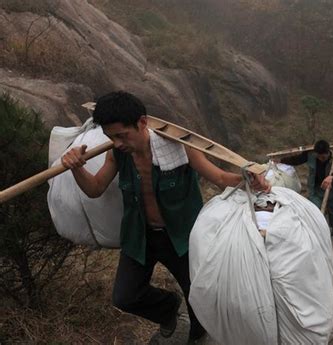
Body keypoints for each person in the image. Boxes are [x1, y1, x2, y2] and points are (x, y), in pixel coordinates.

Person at [61, 91, 270, 344]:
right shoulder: (117, 154)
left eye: (121, 135)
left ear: (141, 122)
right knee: (125, 296)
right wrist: (77, 168)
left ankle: (197, 332)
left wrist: (247, 177)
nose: (116, 143)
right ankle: (169, 308)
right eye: (110, 137)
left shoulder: (179, 146)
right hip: (140, 236)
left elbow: (220, 178)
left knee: (199, 298)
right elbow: (94, 189)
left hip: (182, 237)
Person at [279, 140, 333, 237]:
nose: (321, 159)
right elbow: (297, 160)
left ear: (328, 153)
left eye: (323, 157)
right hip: (316, 187)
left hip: (332, 189)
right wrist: (281, 161)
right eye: (318, 156)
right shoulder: (311, 155)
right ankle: (316, 228)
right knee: (314, 207)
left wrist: (332, 177)